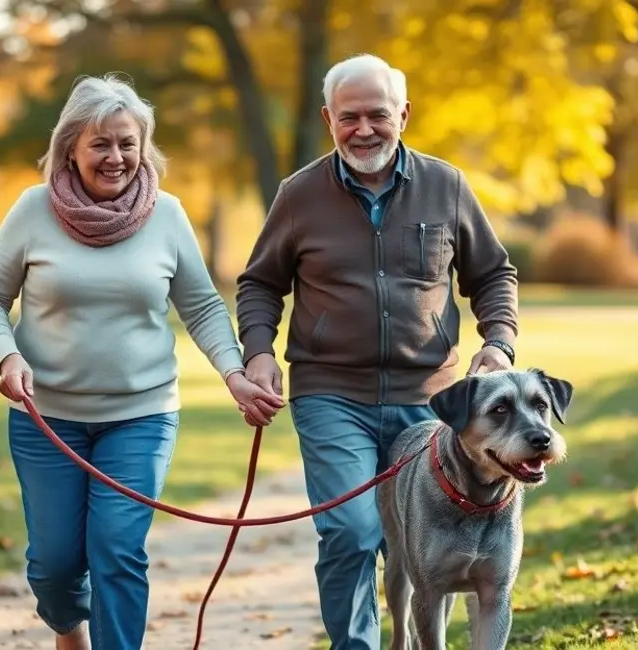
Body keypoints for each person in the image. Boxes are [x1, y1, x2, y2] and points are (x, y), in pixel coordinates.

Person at [0, 73, 283, 650]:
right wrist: (6, 356)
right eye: (100, 144)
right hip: (48, 419)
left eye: (127, 143)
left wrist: (235, 373)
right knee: (55, 566)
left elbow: (204, 306)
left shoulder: (167, 214)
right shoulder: (33, 210)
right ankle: (69, 630)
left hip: (141, 415)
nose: (116, 157)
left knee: (116, 548)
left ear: (144, 146)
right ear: (71, 148)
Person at [234, 54, 519, 649]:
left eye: (378, 115)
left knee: (417, 545)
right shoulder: (299, 194)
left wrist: (498, 343)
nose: (364, 129)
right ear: (328, 119)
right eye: (349, 117)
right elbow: (260, 283)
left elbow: (492, 275)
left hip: (434, 402)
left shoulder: (448, 186)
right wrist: (258, 352)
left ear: (404, 115)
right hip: (331, 395)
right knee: (351, 532)